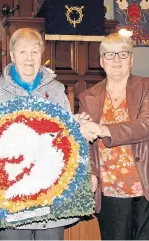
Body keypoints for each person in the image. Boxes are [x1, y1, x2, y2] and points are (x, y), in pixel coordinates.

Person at [0, 28, 92, 240]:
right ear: (12, 56)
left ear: (42, 55)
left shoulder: (56, 89)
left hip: (49, 186)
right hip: (13, 187)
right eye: (22, 52)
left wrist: (75, 125)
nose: (29, 58)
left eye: (34, 52)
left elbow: (64, 136)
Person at [79, 33, 149, 240]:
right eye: (109, 54)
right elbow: (86, 144)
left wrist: (104, 129)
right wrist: (91, 172)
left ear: (131, 59)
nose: (116, 60)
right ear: (101, 61)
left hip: (144, 184)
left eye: (123, 54)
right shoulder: (88, 97)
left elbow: (145, 125)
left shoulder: (146, 87)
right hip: (110, 188)